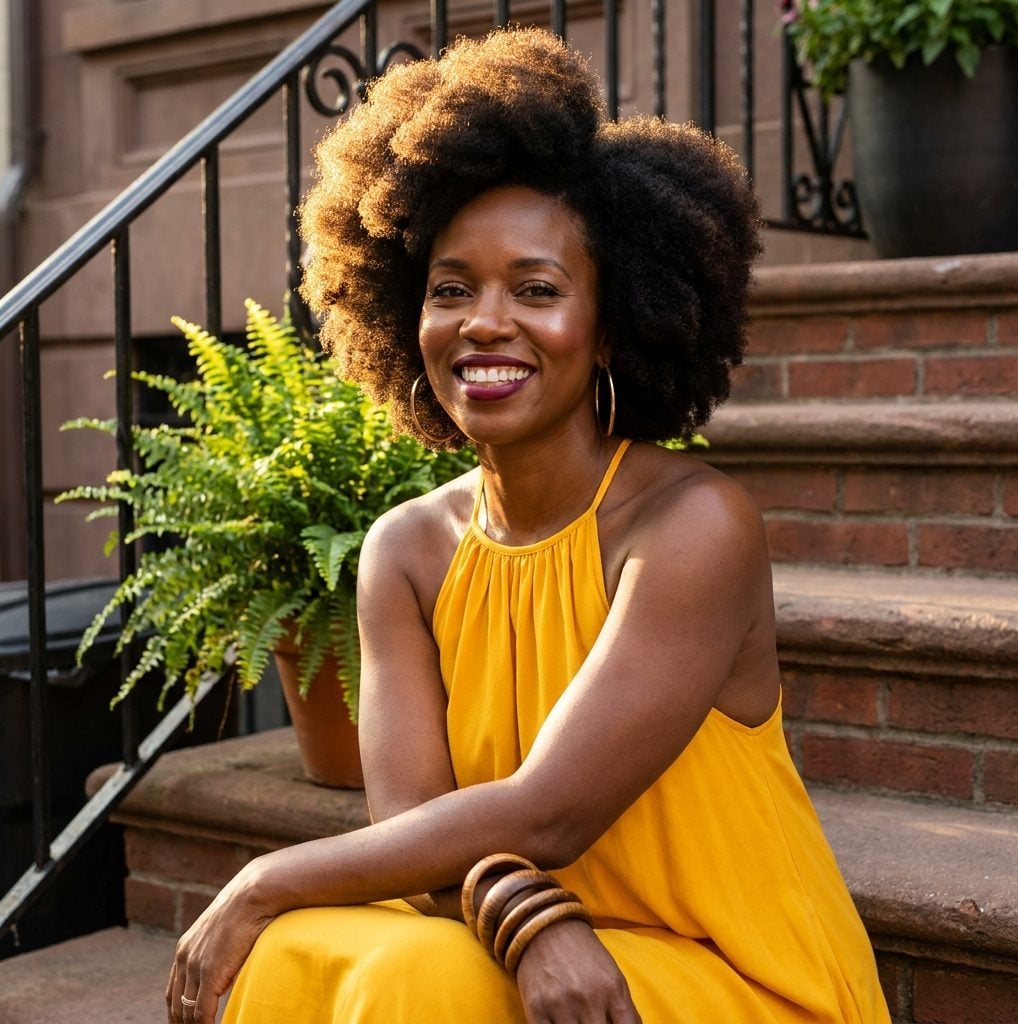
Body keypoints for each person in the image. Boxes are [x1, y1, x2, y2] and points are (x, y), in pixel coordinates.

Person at [167, 27, 890, 1024]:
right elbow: (416, 835)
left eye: (537, 289)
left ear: (613, 322)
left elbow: (546, 808)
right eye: (450, 288)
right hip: (543, 948)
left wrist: (263, 876)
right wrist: (531, 920)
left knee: (389, 971)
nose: (483, 321)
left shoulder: (691, 526)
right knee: (294, 955)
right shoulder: (407, 551)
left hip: (732, 968)